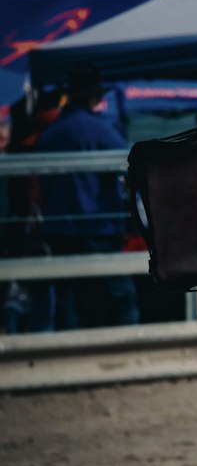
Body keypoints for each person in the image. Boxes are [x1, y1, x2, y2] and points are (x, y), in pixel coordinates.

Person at [37, 66, 139, 330]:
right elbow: (132, 166)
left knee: (68, 294)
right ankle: (128, 350)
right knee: (120, 294)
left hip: (59, 227)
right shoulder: (100, 130)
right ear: (93, 95)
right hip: (97, 226)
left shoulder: (51, 133)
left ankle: (69, 355)